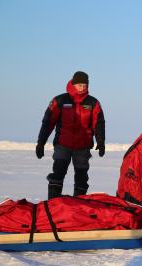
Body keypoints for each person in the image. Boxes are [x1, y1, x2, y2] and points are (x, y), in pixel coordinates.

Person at [36, 71, 105, 199]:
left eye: (85, 85)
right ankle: (53, 203)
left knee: (81, 177)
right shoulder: (60, 100)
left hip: (83, 147)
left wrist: (101, 142)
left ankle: (79, 205)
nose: (82, 87)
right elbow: (48, 123)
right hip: (63, 144)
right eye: (79, 85)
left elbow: (99, 123)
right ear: (73, 84)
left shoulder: (93, 103)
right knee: (58, 172)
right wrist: (41, 142)